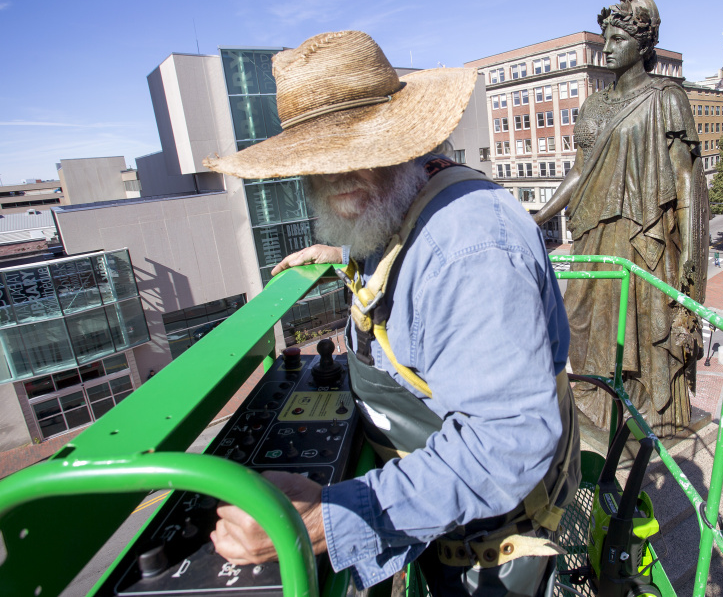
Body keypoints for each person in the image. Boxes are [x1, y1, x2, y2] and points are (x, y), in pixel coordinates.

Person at [204, 31, 580, 595]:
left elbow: (506, 443)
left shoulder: (469, 251)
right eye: (317, 163)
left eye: (356, 154)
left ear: (402, 142)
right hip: (445, 522)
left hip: (494, 545)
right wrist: (343, 252)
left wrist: (323, 520)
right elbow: (403, 253)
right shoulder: (406, 199)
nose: (335, 178)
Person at [532, 0, 708, 438]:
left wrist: (690, 259)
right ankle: (599, 400)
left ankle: (647, 409)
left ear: (643, 45)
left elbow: (685, 179)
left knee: (643, 319)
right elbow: (578, 172)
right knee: (585, 321)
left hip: (643, 237)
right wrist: (537, 216)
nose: (606, 48)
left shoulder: (667, 97)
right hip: (593, 231)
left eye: (617, 39)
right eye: (604, 38)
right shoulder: (593, 104)